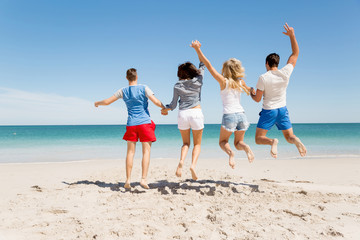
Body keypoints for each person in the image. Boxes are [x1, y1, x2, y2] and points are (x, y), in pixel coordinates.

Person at [95, 68, 165, 189]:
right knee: (146, 152)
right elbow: (156, 102)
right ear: (137, 77)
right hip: (145, 123)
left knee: (130, 153)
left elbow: (107, 102)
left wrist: (97, 103)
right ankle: (143, 179)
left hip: (131, 124)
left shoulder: (122, 91)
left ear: (127, 78)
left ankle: (128, 180)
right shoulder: (144, 88)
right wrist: (165, 108)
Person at [190, 40, 255, 169]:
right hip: (242, 115)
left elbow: (208, 65)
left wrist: (197, 49)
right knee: (239, 143)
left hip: (229, 115)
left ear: (226, 70)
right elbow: (251, 91)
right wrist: (254, 91)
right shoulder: (241, 82)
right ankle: (246, 147)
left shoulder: (223, 81)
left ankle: (231, 154)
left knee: (222, 142)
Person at [251, 23, 307, 158]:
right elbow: (295, 53)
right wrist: (292, 35)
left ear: (267, 64)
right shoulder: (285, 73)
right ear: (277, 63)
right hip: (282, 110)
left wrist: (251, 92)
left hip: (269, 110)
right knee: (289, 137)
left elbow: (257, 99)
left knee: (259, 139)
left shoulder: (263, 77)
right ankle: (296, 141)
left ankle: (272, 141)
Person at [161, 60, 206, 180]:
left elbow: (173, 104)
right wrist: (198, 51)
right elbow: (203, 65)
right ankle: (192, 166)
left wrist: (166, 109)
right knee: (197, 144)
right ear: (193, 71)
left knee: (186, 143)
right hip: (196, 113)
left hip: (183, 114)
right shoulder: (198, 80)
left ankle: (181, 161)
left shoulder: (177, 85)